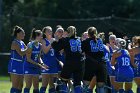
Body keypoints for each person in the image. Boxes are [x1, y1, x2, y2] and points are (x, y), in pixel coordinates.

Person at [52, 26, 85, 93]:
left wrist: (56, 40)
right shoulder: (79, 39)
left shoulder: (66, 39)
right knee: (77, 82)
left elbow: (56, 47)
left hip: (70, 62)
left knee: (63, 80)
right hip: (80, 63)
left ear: (67, 32)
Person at [82, 27, 107, 93]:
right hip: (101, 64)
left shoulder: (86, 41)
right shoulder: (100, 40)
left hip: (90, 63)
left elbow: (81, 52)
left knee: (86, 84)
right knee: (101, 86)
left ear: (88, 34)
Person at [24, 29, 48, 93]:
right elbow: (28, 59)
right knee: (28, 85)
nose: (42, 37)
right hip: (28, 67)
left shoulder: (40, 45)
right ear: (37, 36)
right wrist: (39, 65)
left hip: (36, 67)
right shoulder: (30, 44)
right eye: (41, 36)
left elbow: (39, 57)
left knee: (36, 86)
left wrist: (42, 64)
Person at [8, 26, 27, 93]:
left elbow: (27, 51)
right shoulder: (15, 43)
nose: (24, 35)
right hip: (15, 64)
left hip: (21, 64)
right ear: (18, 34)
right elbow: (21, 53)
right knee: (15, 85)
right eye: (22, 33)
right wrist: (30, 46)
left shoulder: (22, 42)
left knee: (20, 85)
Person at [40, 26, 58, 93]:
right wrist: (51, 43)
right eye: (48, 31)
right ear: (44, 33)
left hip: (54, 64)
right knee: (44, 84)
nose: (50, 32)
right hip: (46, 64)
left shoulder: (54, 40)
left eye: (51, 31)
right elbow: (45, 51)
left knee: (52, 85)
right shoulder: (43, 40)